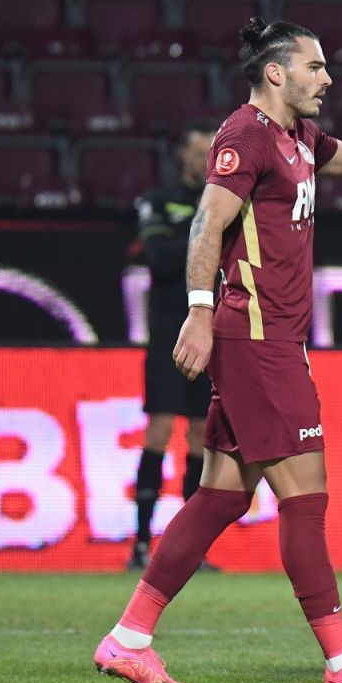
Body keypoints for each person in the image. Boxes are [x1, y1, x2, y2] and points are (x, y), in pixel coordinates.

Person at [92, 17, 342, 683]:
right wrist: (198, 310)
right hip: (255, 337)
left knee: (221, 494)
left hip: (274, 340)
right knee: (305, 496)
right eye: (316, 66)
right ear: (277, 72)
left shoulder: (300, 137)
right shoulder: (244, 135)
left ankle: (129, 637)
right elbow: (205, 223)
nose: (328, 77)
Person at [129, 120, 219, 573]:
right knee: (160, 431)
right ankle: (142, 544)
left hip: (209, 334)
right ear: (181, 156)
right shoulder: (159, 202)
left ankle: (189, 552)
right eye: (198, 152)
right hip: (168, 332)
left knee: (203, 436)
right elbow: (161, 261)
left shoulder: (220, 201)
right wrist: (208, 235)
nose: (205, 162)